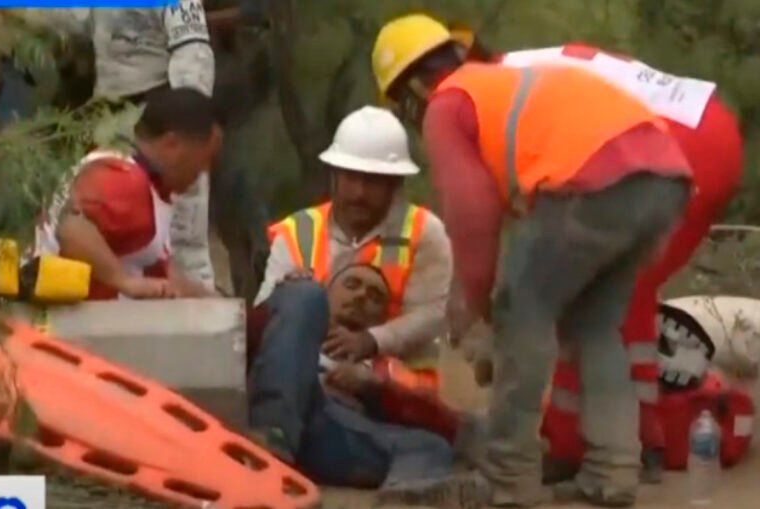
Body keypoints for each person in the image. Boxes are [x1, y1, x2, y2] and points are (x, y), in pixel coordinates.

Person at [371, 13, 694, 508]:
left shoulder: (449, 102)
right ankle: (613, 471)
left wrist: (477, 306)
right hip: (664, 179)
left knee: (523, 311)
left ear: (412, 86)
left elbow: (471, 214)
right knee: (593, 326)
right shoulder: (504, 82)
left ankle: (508, 478)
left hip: (593, 183)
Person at [446, 31, 744, 484]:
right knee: (621, 301)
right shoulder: (523, 67)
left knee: (573, 298)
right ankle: (638, 443)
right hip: (703, 133)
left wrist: (478, 305)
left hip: (663, 144)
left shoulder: (477, 94)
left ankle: (572, 445)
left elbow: (479, 212)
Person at [9, 5, 218, 291]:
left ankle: (200, 317)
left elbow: (194, 58)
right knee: (126, 216)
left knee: (180, 229)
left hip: (161, 111)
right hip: (112, 114)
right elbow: (72, 18)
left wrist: (189, 125)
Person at [256, 105, 452, 377]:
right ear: (334, 176)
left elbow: (431, 315)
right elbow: (265, 311)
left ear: (395, 185)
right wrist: (286, 297)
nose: (359, 193)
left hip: (395, 390)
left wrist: (371, 341)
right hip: (310, 376)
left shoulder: (424, 232)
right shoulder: (298, 230)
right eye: (350, 178)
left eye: (373, 182)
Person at [247, 262, 455, 494]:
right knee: (303, 291)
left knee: (431, 446)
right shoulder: (289, 323)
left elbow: (442, 421)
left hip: (334, 431)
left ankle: (401, 500)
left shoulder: (386, 367)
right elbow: (237, 336)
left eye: (375, 297)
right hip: (278, 408)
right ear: (327, 293)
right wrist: (289, 295)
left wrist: (374, 386)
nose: (361, 295)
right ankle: (272, 443)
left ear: (382, 319)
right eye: (352, 285)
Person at [32, 88, 222, 300]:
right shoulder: (124, 179)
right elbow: (68, 226)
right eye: (205, 158)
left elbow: (163, 275)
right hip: (50, 320)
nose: (204, 170)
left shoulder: (148, 186)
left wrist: (215, 302)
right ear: (172, 144)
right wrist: (125, 281)